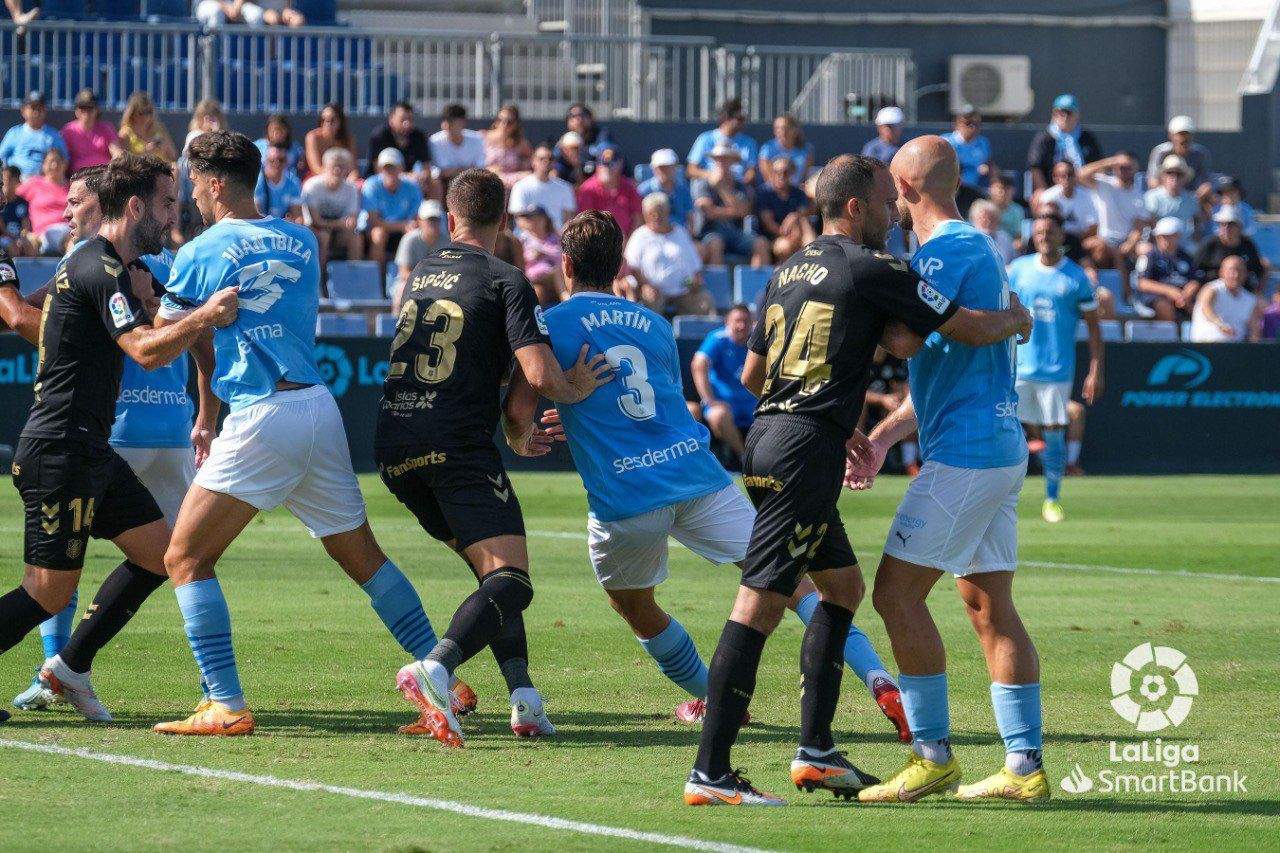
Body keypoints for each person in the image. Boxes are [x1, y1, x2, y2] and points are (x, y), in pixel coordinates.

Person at [684, 151, 1030, 807]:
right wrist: (1016, 318)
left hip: (771, 437)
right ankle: (711, 770)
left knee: (842, 588)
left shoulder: (787, 269)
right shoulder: (873, 267)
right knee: (760, 599)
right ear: (854, 206)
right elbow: (930, 335)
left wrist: (825, 413)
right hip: (803, 453)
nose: (890, 213)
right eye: (881, 201)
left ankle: (816, 751)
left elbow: (755, 376)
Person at [151, 131, 461, 736]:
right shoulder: (301, 239)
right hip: (317, 409)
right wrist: (207, 409)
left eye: (194, 185)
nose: (192, 195)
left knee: (184, 557)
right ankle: (442, 675)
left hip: (262, 414)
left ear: (214, 184)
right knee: (365, 559)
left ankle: (225, 703)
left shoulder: (201, 251)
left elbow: (165, 340)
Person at [0, 154, 237, 723]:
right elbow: (145, 352)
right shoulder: (98, 266)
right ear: (134, 206)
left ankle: (70, 667)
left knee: (165, 556)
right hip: (60, 448)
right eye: (164, 203)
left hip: (89, 449)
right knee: (48, 591)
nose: (172, 215)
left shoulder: (119, 267)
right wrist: (203, 316)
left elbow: (159, 334)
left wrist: (169, 311)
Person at [382, 168, 612, 748]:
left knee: (494, 575)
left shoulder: (420, 273)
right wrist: (575, 386)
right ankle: (434, 669)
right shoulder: (506, 279)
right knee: (513, 582)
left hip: (393, 444)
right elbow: (538, 374)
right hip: (454, 444)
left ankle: (524, 698)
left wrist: (512, 427)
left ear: (449, 217)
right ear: (503, 221)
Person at [846, 136, 1044, 805]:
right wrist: (881, 438)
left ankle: (931, 754)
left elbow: (906, 340)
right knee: (988, 605)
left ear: (904, 187)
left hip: (966, 454)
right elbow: (942, 372)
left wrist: (863, 292)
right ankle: (1024, 764)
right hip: (996, 445)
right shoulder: (977, 248)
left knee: (895, 595)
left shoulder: (942, 252)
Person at [1007, 213, 1104, 523]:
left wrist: (1096, 369)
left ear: (1062, 236)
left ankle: (1052, 498)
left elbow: (1094, 328)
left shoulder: (1076, 277)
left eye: (1050, 231)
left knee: (1054, 433)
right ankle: (1001, 497)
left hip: (1056, 371)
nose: (1044, 237)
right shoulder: (1017, 270)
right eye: (1039, 232)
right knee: (1004, 430)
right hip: (1017, 368)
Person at [622, 192, 711, 315]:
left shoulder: (680, 232)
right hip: (654, 292)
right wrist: (645, 285)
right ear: (645, 215)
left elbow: (695, 266)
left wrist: (694, 282)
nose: (656, 216)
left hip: (683, 291)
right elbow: (632, 267)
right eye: (651, 213)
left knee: (704, 301)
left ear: (668, 212)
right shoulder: (639, 236)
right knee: (650, 305)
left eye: (660, 212)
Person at [1078, 152, 1149, 294]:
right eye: (1121, 166)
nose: (1124, 170)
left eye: (1128, 167)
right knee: (1104, 249)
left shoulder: (1139, 196)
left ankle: (1141, 293)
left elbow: (1139, 226)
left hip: (1127, 242)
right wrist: (1110, 161)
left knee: (1147, 251)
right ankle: (1124, 293)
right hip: (1103, 240)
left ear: (1135, 169)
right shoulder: (1104, 184)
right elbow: (1081, 175)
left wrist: (1130, 244)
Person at [691, 304, 755, 458]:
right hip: (725, 404)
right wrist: (709, 400)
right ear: (727, 322)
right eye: (737, 321)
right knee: (717, 415)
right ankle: (744, 459)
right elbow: (698, 364)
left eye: (746, 321)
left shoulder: (757, 340)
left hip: (752, 403)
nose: (742, 326)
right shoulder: (718, 339)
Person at [692, 144, 769, 267]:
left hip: (736, 234)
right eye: (718, 158)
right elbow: (709, 212)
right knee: (716, 244)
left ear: (733, 161)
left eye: (726, 158)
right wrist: (734, 211)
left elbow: (744, 212)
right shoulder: (702, 183)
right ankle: (718, 280)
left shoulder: (740, 185)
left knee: (761, 243)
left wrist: (721, 187)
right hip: (710, 233)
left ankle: (758, 280)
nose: (722, 161)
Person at [362, 148, 423, 278]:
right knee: (379, 234)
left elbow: (416, 217)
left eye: (393, 167)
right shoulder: (371, 185)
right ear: (379, 169)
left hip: (403, 228)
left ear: (401, 168)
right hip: (376, 229)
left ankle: (412, 277)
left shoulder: (412, 187)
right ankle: (376, 279)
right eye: (386, 168)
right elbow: (373, 221)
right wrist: (402, 225)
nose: (389, 171)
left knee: (414, 234)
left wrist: (407, 226)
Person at [301, 147, 362, 273]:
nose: (337, 170)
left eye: (342, 166)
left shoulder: (351, 189)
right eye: (334, 166)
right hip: (314, 229)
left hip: (339, 232)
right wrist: (341, 223)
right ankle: (319, 278)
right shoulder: (312, 186)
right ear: (325, 167)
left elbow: (352, 220)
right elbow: (316, 221)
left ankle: (353, 278)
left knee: (355, 238)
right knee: (324, 237)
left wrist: (348, 223)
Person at [1026, 93, 1103, 191]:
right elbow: (1035, 166)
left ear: (1077, 115)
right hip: (1052, 190)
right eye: (1060, 112)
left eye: (1069, 112)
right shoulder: (1045, 138)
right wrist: (1041, 190)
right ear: (1053, 114)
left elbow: (1098, 164)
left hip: (1084, 190)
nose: (1065, 116)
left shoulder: (1087, 137)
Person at [1135, 216, 1198, 321]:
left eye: (1170, 236)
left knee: (1200, 306)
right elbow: (1142, 283)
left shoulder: (1186, 256)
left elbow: (1194, 279)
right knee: (1164, 307)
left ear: (1178, 236)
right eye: (1163, 236)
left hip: (1183, 296)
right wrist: (1169, 291)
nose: (1166, 240)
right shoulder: (1150, 256)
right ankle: (1171, 332)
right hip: (1158, 296)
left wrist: (1187, 293)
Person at [1192, 206, 1268, 293]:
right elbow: (1195, 268)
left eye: (1231, 224)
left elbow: (1259, 270)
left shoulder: (1247, 245)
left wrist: (1258, 291)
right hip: (1215, 291)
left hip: (1242, 291)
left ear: (1239, 227)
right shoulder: (1210, 244)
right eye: (1223, 224)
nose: (1226, 228)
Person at [366, 101, 435, 197]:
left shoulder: (418, 136)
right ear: (391, 120)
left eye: (410, 119)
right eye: (403, 119)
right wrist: (405, 177)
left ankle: (433, 206)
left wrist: (423, 176)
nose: (407, 123)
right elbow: (378, 169)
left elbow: (426, 167)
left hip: (409, 183)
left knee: (434, 182)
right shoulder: (379, 136)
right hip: (380, 182)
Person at [1190, 255, 1263, 343]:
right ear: (1221, 272)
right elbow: (1206, 308)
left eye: (1240, 271)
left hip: (1236, 347)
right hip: (1206, 344)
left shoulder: (1251, 299)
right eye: (1231, 270)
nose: (1235, 275)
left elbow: (1254, 329)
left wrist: (1254, 346)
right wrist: (1220, 324)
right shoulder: (1211, 289)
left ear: (1246, 274)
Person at [755, 156, 814, 263]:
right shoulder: (764, 193)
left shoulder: (798, 193)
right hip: (773, 238)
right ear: (771, 173)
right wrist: (787, 234)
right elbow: (769, 224)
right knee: (785, 246)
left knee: (803, 221)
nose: (781, 176)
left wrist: (794, 216)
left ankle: (813, 254)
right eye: (777, 172)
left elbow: (805, 211)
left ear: (792, 173)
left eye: (785, 172)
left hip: (797, 235)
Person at [575, 146, 643, 237]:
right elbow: (585, 222)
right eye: (603, 162)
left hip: (628, 241)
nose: (607, 167)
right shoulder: (587, 189)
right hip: (599, 240)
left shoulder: (629, 187)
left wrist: (629, 240)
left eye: (612, 162)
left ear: (620, 164)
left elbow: (638, 217)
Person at [687, 98, 759, 184]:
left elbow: (751, 171)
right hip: (709, 183)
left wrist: (744, 180)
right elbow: (691, 170)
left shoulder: (749, 143)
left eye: (744, 119)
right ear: (726, 118)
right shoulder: (705, 138)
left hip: (736, 183)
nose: (743, 123)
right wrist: (712, 175)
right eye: (739, 119)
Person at [507, 143, 577, 231]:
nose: (546, 162)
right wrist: (541, 236)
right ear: (533, 161)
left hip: (557, 237)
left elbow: (568, 219)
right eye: (541, 159)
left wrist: (555, 236)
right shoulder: (520, 186)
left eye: (550, 159)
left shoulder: (565, 188)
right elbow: (520, 220)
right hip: (527, 237)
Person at [0, 92, 68, 180]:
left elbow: (65, 160)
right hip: (17, 182)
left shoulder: (54, 136)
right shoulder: (14, 133)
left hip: (43, 182)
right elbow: (2, 156)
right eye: (33, 108)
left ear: (45, 111)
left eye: (39, 109)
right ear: (23, 111)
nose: (36, 112)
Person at [393, 199, 448, 306]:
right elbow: (404, 272)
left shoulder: (446, 242)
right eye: (429, 220)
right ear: (420, 220)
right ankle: (397, 317)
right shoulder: (409, 239)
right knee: (402, 290)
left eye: (436, 220)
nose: (433, 223)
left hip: (439, 284)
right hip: (412, 282)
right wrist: (425, 283)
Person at [18, 148, 71, 256]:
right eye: (50, 161)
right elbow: (12, 198)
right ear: (43, 165)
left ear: (65, 164)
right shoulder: (33, 184)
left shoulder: (73, 186)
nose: (54, 165)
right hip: (40, 236)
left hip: (67, 231)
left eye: (58, 161)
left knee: (74, 240)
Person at [1038, 161, 1098, 254]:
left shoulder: (1088, 196)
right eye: (1062, 175)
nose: (1066, 178)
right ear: (1055, 178)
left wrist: (1077, 241)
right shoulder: (1047, 197)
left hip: (1081, 240)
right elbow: (1042, 225)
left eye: (1070, 174)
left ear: (1075, 176)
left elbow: (1093, 226)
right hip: (1054, 241)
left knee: (1099, 247)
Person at [1147, 115, 1212, 197]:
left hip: (1191, 197)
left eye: (1188, 134)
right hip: (1164, 197)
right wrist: (1170, 195)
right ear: (1171, 135)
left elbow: (1206, 183)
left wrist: (1191, 199)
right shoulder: (1160, 152)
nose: (1184, 138)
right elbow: (1153, 182)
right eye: (1180, 134)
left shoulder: (1200, 153)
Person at [428, 104, 486, 192]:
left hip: (471, 181)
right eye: (445, 121)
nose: (447, 125)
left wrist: (454, 171)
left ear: (463, 122)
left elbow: (480, 168)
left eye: (452, 121)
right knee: (435, 181)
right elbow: (440, 172)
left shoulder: (477, 139)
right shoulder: (435, 141)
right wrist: (466, 169)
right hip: (444, 182)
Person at [514, 205, 564, 307]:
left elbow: (561, 256)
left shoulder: (556, 237)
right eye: (529, 219)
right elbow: (519, 261)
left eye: (536, 219)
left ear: (545, 220)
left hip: (556, 279)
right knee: (537, 293)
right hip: (535, 280)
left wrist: (543, 253)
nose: (533, 222)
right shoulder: (522, 240)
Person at [61, 89, 122, 173]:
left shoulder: (107, 128)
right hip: (79, 176)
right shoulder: (68, 131)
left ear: (97, 110)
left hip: (103, 175)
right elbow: (63, 157)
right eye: (83, 108)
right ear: (76, 111)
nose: (86, 113)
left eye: (90, 108)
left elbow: (116, 152)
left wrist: (112, 169)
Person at [637, 148, 695, 232]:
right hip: (653, 234)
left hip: (680, 233)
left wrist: (689, 235)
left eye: (668, 167)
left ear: (675, 167)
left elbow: (690, 216)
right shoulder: (642, 191)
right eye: (660, 168)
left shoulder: (683, 190)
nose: (664, 171)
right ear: (653, 169)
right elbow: (639, 218)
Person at [1142, 155, 1198, 238]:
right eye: (1169, 173)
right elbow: (1148, 224)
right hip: (1158, 240)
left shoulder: (1191, 199)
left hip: (1184, 241)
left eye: (1179, 174)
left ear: (1185, 178)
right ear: (1162, 176)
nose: (1174, 177)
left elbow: (1197, 223)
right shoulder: (1151, 197)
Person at [943, 107, 996, 192]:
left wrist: (988, 170)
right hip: (951, 190)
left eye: (976, 124)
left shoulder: (983, 143)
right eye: (968, 123)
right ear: (957, 124)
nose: (972, 127)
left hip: (975, 190)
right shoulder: (945, 142)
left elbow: (990, 165)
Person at [118, 91, 178, 163]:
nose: (146, 116)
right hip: (140, 168)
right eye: (141, 112)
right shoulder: (125, 133)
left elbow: (173, 156)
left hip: (161, 166)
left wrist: (164, 147)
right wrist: (146, 152)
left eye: (149, 111)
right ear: (132, 113)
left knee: (175, 167)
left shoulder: (158, 128)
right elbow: (125, 161)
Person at [304, 103, 358, 180]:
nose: (327, 124)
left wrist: (352, 179)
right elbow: (316, 168)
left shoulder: (348, 139)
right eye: (323, 120)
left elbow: (353, 168)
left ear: (340, 122)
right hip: (319, 178)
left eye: (332, 120)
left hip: (343, 178)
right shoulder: (313, 137)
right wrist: (335, 179)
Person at [484, 103, 532, 189]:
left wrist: (524, 164)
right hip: (489, 182)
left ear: (516, 124)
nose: (504, 124)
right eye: (500, 120)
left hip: (511, 184)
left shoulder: (521, 143)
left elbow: (533, 161)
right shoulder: (484, 138)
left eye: (509, 122)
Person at [759, 114, 814, 187]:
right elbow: (767, 176)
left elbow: (806, 176)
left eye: (785, 128)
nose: (782, 132)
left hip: (798, 189)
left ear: (795, 130)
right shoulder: (767, 148)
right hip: (773, 190)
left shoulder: (807, 149)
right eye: (777, 128)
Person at [253, 144, 303, 221]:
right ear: (265, 161)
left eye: (281, 160)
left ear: (286, 162)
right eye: (272, 161)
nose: (277, 164)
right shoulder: (257, 182)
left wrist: (293, 222)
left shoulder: (293, 182)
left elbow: (297, 216)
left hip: (284, 225)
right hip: (263, 225)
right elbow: (255, 215)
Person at [254, 114, 304, 178]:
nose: (276, 133)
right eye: (272, 130)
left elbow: (300, 168)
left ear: (287, 131)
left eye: (279, 130)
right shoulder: (258, 146)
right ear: (267, 131)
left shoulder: (296, 149)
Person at [967, 199, 1015, 264]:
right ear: (974, 219)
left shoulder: (1004, 238)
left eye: (992, 217)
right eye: (983, 218)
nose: (988, 221)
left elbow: (1013, 263)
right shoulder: (968, 239)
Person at [195, 0, 305, 28]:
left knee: (256, 15)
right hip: (209, 3)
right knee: (216, 12)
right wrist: (227, 7)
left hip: (234, 6)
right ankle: (213, 58)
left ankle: (256, 62)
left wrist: (286, 11)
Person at [988, 173, 1026, 249]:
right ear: (991, 189)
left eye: (1007, 188)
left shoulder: (1017, 210)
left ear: (1013, 191)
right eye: (999, 188)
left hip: (1009, 248)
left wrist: (1017, 243)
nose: (1003, 192)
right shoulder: (983, 208)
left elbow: (1019, 236)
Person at [0, 165, 32, 257]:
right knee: (12, 247)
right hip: (3, 237)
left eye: (9, 179)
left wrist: (22, 238)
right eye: (4, 180)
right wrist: (13, 239)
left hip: (18, 237)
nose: (6, 183)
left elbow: (25, 225)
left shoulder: (22, 203)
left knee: (30, 244)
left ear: (18, 181)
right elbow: (2, 228)